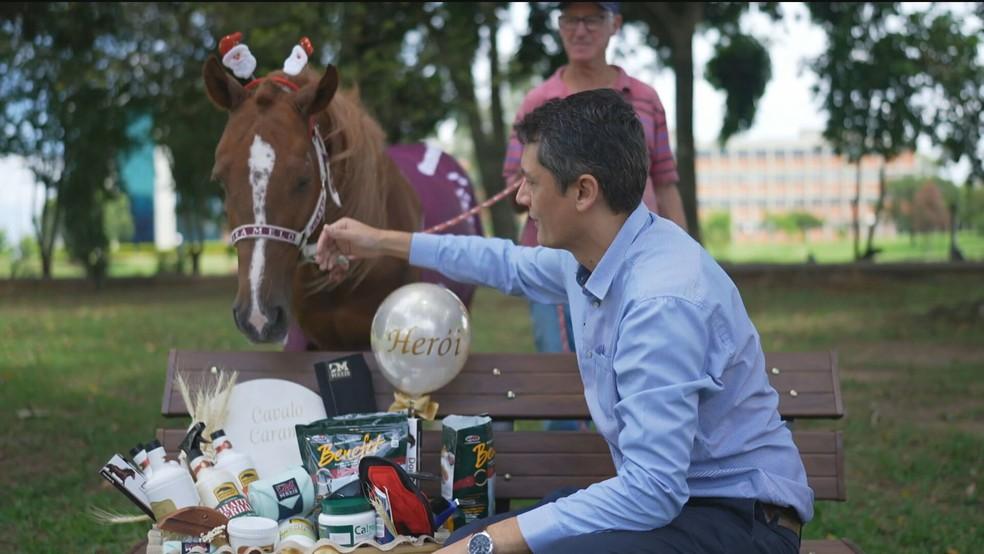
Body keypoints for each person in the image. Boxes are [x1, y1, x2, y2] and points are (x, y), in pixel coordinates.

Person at [315, 89, 812, 554]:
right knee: (465, 539)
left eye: (532, 182)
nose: (521, 198)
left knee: (488, 546)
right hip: (676, 506)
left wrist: (494, 541)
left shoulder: (660, 301)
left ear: (583, 192)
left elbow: (652, 492)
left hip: (738, 520)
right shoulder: (599, 255)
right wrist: (379, 241)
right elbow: (503, 263)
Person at [504, 1, 686, 360]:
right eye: (570, 19)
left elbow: (665, 183)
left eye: (592, 19)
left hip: (633, 262)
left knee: (636, 361)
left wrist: (683, 255)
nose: (580, 30)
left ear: (615, 23)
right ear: (559, 26)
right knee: (560, 373)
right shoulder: (537, 102)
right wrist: (540, 176)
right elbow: (515, 187)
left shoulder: (645, 99)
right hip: (556, 262)